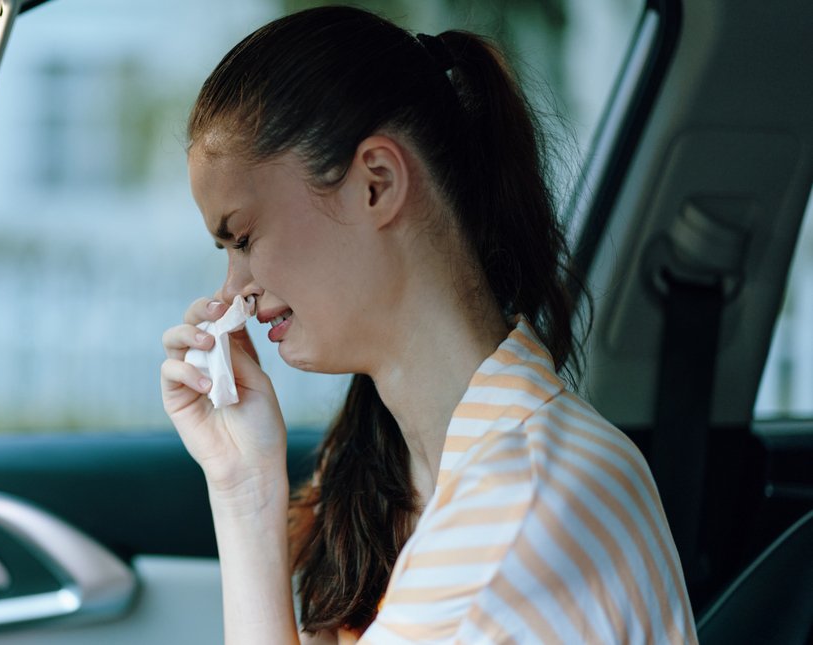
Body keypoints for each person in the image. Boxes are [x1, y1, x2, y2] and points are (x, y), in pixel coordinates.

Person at [158, 6, 697, 644]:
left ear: (377, 184)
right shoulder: (380, 467)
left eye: (243, 236)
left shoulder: (512, 513)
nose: (232, 289)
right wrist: (243, 484)